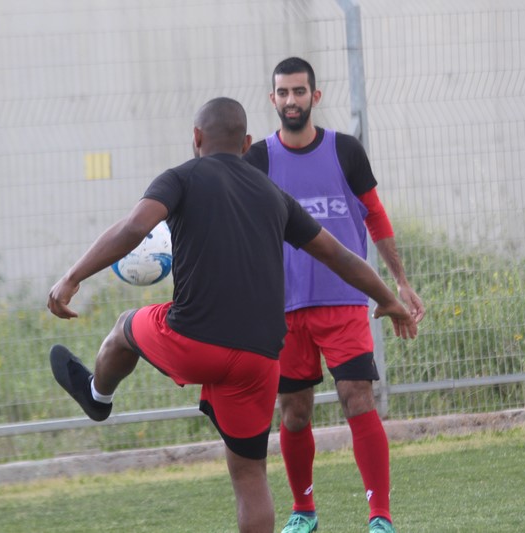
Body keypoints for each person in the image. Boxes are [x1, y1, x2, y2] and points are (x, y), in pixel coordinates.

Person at [47, 97, 417, 533]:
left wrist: (73, 276)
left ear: (196, 138)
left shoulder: (180, 177)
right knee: (249, 475)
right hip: (260, 358)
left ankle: (98, 395)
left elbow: (133, 229)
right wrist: (389, 298)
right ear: (246, 143)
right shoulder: (275, 196)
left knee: (124, 328)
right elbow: (338, 254)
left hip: (193, 340)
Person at [244, 57, 426, 533]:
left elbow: (376, 215)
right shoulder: (258, 160)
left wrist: (400, 281)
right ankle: (304, 512)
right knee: (295, 413)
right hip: (283, 308)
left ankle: (380, 516)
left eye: (299, 92)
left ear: (315, 97)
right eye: (282, 93)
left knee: (357, 399)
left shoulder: (345, 151)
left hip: (344, 301)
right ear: (273, 100)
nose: (291, 101)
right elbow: (240, 225)